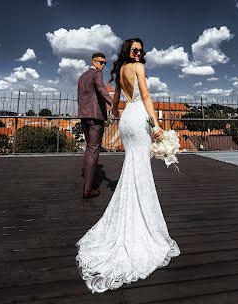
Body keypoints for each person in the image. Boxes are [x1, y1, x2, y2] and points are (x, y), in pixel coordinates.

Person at [76, 38, 180, 293]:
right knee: (140, 167)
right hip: (139, 119)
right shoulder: (139, 68)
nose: (138, 53)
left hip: (126, 121)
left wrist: (115, 114)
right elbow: (145, 94)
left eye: (141, 50)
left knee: (133, 166)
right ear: (128, 51)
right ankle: (142, 220)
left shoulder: (120, 69)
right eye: (134, 50)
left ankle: (131, 210)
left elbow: (117, 98)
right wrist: (156, 125)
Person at [77, 52, 114, 199]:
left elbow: (79, 96)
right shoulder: (96, 73)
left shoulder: (82, 76)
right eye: (101, 62)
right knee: (94, 149)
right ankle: (88, 189)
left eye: (105, 63)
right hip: (95, 117)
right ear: (94, 61)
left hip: (84, 116)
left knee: (89, 149)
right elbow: (101, 88)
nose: (103, 65)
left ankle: (87, 182)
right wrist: (112, 102)